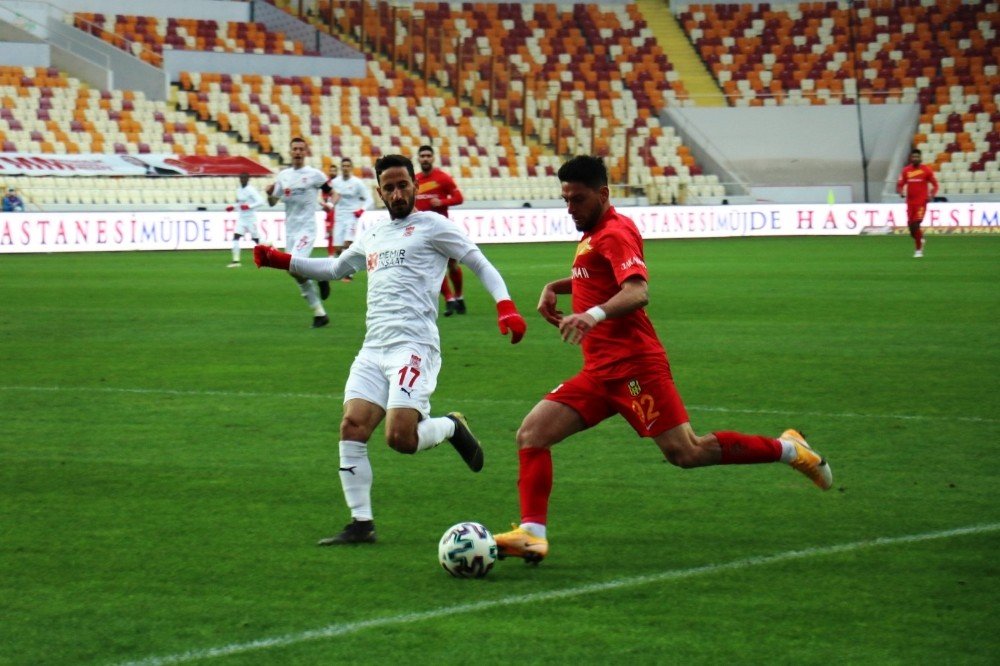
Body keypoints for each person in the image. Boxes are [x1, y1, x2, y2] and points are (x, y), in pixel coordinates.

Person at [493, 156, 833, 565]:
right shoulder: (593, 231)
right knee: (532, 434)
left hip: (635, 368)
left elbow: (637, 291)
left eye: (578, 199)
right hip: (599, 372)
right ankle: (532, 533)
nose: (570, 209)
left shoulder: (615, 232)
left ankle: (790, 450)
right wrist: (554, 287)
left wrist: (592, 315)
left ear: (603, 194)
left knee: (686, 452)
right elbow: (595, 276)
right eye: (565, 199)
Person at [253, 154, 527, 545]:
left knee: (400, 439)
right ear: (380, 191)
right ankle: (361, 523)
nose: (397, 193)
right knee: (352, 427)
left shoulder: (434, 226)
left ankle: (450, 426)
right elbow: (335, 269)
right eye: (390, 187)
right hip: (373, 346)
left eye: (404, 185)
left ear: (415, 186)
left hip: (413, 346)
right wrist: (281, 260)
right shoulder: (373, 233)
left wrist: (506, 306)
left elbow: (478, 262)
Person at [266, 137, 332, 328]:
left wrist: (330, 204)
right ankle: (320, 313)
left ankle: (321, 280)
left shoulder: (314, 175)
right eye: (294, 148)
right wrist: (269, 193)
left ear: (306, 152)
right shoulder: (284, 176)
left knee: (294, 267)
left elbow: (332, 191)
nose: (297, 152)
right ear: (290, 151)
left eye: (301, 149)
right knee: (292, 271)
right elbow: (272, 202)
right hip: (291, 231)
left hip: (307, 229)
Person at [415, 144, 466, 316]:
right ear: (418, 159)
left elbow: (459, 198)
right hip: (423, 231)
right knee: (434, 267)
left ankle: (459, 296)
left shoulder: (443, 178)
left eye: (428, 155)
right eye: (422, 156)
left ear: (433, 158)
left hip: (442, 228)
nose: (425, 158)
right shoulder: (415, 180)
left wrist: (443, 202)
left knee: (452, 264)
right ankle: (449, 299)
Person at [327, 157, 374, 273]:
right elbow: (331, 198)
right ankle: (343, 267)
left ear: (351, 168)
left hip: (352, 218)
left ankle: (348, 272)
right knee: (338, 248)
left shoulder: (357, 183)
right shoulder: (335, 182)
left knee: (348, 244)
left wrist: (361, 209)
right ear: (341, 168)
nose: (345, 168)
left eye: (348, 166)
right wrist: (329, 205)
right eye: (343, 166)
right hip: (339, 218)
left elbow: (370, 199)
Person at [896, 148, 938, 258]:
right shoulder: (906, 171)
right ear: (911, 158)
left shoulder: (926, 170)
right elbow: (900, 184)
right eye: (913, 157)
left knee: (915, 224)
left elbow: (935, 185)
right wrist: (901, 192)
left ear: (920, 158)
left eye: (917, 157)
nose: (915, 158)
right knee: (911, 230)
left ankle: (918, 251)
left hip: (921, 203)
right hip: (910, 203)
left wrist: (931, 195)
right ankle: (921, 239)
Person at [225, 172, 265, 268]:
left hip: (251, 218)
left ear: (248, 179)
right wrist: (233, 207)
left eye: (244, 178)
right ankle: (236, 261)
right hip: (242, 218)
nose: (242, 180)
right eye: (241, 178)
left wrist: (249, 206)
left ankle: (269, 249)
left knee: (256, 239)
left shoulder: (251, 190)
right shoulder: (239, 190)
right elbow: (240, 204)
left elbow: (261, 201)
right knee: (236, 237)